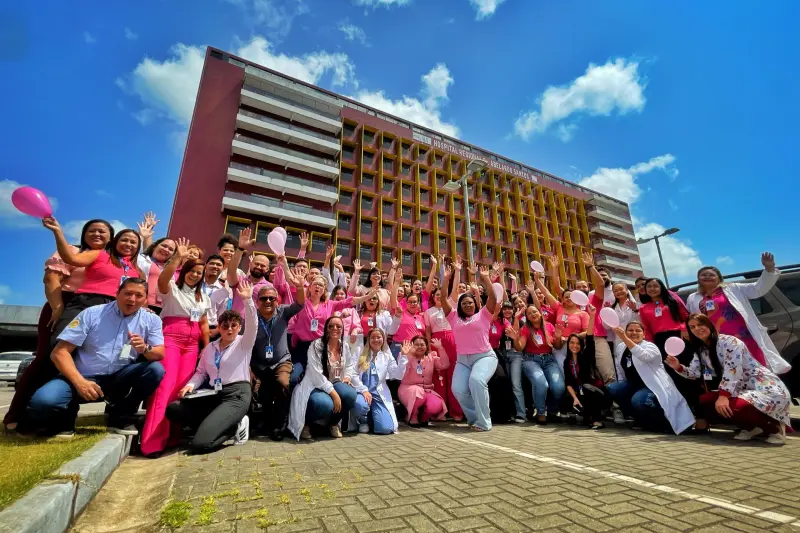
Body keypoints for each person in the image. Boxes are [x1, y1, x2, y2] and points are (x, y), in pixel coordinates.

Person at [5, 219, 113, 431]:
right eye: (92, 231)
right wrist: (58, 307)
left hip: (94, 310)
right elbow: (51, 278)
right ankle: (16, 415)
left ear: (110, 237)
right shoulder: (71, 251)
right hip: (64, 305)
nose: (97, 234)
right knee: (47, 358)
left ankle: (57, 417)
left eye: (102, 231)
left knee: (74, 362)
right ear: (84, 234)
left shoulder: (111, 260)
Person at [22, 278, 166, 437]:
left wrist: (145, 348)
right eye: (128, 293)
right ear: (117, 294)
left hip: (119, 379)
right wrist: (80, 383)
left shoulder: (152, 320)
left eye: (139, 295)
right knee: (43, 403)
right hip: (83, 376)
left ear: (146, 299)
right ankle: (64, 418)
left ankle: (121, 416)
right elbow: (59, 353)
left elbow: (159, 353)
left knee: (155, 370)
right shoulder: (92, 313)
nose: (132, 299)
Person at [667, 314, 790, 444]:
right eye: (692, 327)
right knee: (706, 401)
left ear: (709, 325)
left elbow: (732, 370)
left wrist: (724, 396)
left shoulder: (730, 342)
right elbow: (694, 372)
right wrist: (678, 367)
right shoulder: (702, 350)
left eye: (700, 324)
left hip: (763, 388)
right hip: (741, 390)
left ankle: (775, 429)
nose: (697, 329)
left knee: (734, 406)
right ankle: (751, 428)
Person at [166, 280, 256, 453]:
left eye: (234, 326)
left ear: (239, 327)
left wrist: (247, 301)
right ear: (219, 328)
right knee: (173, 409)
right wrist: (190, 385)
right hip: (213, 394)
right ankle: (218, 426)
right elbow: (201, 372)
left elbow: (253, 324)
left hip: (236, 395)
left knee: (201, 444)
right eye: (225, 326)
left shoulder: (244, 343)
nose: (229, 329)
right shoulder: (210, 348)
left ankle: (232, 428)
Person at [140, 240, 211, 456]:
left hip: (192, 344)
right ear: (184, 271)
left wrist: (206, 350)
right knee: (164, 388)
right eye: (191, 271)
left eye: (199, 272)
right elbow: (162, 279)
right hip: (171, 338)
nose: (195, 275)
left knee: (182, 390)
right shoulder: (171, 288)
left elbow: (204, 325)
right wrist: (178, 258)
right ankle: (152, 442)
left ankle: (173, 437)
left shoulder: (203, 297)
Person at [42, 217, 144, 344]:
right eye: (124, 240)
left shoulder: (136, 270)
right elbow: (69, 260)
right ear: (115, 242)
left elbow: (142, 294)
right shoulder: (98, 254)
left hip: (114, 308)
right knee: (62, 344)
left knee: (95, 349)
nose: (128, 244)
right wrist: (58, 232)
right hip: (83, 303)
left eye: (133, 242)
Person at [685, 253, 790, 374]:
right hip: (718, 339)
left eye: (711, 275)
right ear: (698, 279)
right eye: (703, 275)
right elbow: (692, 319)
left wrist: (769, 269)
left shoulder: (733, 288)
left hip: (743, 335)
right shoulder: (693, 298)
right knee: (731, 370)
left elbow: (758, 289)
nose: (707, 276)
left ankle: (766, 390)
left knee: (756, 368)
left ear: (719, 278)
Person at [442, 260, 499, 431]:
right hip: (463, 360)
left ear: (475, 304)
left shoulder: (483, 315)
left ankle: (484, 422)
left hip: (484, 356)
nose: (467, 304)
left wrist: (486, 278)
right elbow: (443, 297)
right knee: (458, 389)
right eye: (464, 302)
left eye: (470, 302)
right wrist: (446, 279)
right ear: (459, 306)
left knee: (477, 381)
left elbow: (493, 297)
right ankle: (474, 417)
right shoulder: (453, 318)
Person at [251, 257, 305, 440]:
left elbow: (299, 305)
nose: (268, 301)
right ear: (257, 301)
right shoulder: (251, 317)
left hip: (281, 361)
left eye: (271, 298)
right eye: (264, 298)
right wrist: (249, 368)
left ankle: (280, 424)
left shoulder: (283, 311)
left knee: (283, 384)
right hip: (258, 363)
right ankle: (264, 419)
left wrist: (299, 287)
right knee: (260, 392)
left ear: (277, 300)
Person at [607, 322, 694, 434]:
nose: (634, 333)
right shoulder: (621, 347)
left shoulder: (651, 346)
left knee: (639, 400)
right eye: (630, 330)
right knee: (613, 389)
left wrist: (624, 337)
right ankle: (639, 419)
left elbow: (644, 355)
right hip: (633, 384)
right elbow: (619, 367)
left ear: (644, 334)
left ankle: (661, 422)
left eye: (638, 330)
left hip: (652, 386)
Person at [289, 275, 375, 387]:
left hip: (321, 347)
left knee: (325, 380)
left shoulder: (329, 304)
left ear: (324, 290)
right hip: (302, 348)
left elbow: (349, 301)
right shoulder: (302, 302)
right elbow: (296, 290)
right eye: (315, 284)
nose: (318, 287)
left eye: (321, 285)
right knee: (294, 378)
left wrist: (366, 297)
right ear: (309, 287)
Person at [288, 316, 361, 440]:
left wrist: (347, 376)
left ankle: (332, 424)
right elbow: (316, 375)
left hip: (335, 381)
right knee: (324, 404)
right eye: (331, 326)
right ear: (326, 328)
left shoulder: (344, 346)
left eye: (339, 326)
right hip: (315, 385)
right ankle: (307, 424)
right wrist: (334, 394)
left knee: (350, 394)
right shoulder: (316, 345)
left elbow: (349, 365)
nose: (335, 328)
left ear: (343, 330)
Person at [509, 305, 562, 424]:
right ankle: (541, 412)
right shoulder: (526, 329)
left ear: (540, 312)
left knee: (558, 387)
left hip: (549, 360)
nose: (533, 314)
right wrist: (515, 338)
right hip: (531, 360)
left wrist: (558, 338)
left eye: (534, 312)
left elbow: (557, 346)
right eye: (529, 313)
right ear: (527, 317)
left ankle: (552, 412)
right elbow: (519, 348)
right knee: (541, 383)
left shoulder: (549, 326)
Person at [348, 328, 404, 434]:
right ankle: (362, 420)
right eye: (373, 337)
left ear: (383, 339)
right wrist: (364, 390)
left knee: (385, 429)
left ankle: (372, 418)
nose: (376, 340)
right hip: (361, 392)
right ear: (368, 339)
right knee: (360, 405)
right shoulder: (360, 352)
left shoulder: (387, 356)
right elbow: (353, 374)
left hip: (379, 394)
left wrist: (404, 357)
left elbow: (397, 375)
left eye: (379, 337)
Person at [563, 306, 610, 429]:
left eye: (578, 343)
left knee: (586, 387)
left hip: (596, 393)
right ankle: (586, 415)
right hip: (581, 393)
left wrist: (592, 316)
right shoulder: (567, 361)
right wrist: (575, 399)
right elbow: (568, 382)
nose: (575, 345)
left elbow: (589, 337)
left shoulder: (587, 355)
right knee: (567, 397)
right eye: (572, 342)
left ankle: (598, 420)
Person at [425, 280, 463, 421]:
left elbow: (454, 292)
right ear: (433, 297)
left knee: (453, 374)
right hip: (436, 341)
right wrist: (429, 346)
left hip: (452, 340)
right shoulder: (428, 312)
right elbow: (428, 331)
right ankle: (440, 410)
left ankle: (456, 411)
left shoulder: (451, 307)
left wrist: (456, 273)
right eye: (437, 295)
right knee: (438, 376)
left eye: (442, 295)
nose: (439, 297)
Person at [534, 273, 589, 367]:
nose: (569, 299)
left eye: (571, 296)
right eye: (566, 297)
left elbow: (587, 331)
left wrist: (570, 338)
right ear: (562, 300)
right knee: (562, 369)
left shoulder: (583, 314)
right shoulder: (559, 308)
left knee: (576, 369)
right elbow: (546, 293)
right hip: (559, 345)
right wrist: (537, 280)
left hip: (575, 345)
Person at [396, 337, 450, 426]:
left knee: (436, 405)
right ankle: (413, 417)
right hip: (408, 390)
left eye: (422, 345)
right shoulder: (405, 356)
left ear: (426, 346)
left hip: (426, 390)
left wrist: (440, 348)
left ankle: (423, 418)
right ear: (411, 346)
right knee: (417, 392)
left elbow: (445, 365)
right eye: (416, 345)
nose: (419, 347)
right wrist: (408, 355)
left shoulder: (431, 357)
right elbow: (402, 372)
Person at [584, 253, 618, 385]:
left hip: (597, 337)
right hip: (580, 341)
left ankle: (615, 404)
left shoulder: (594, 298)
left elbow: (600, 285)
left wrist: (591, 266)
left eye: (583, 286)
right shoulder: (573, 302)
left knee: (607, 373)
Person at [226, 229, 272, 315]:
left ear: (267, 269)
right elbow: (231, 270)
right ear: (250, 264)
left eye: (262, 266)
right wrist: (240, 248)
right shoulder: (240, 282)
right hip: (236, 325)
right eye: (256, 264)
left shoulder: (270, 287)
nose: (258, 267)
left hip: (256, 326)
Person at [388, 262, 426, 359]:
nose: (413, 304)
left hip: (417, 350)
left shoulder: (421, 317)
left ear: (418, 304)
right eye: (410, 302)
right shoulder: (401, 312)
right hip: (399, 348)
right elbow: (392, 298)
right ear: (406, 303)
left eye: (415, 302)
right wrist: (396, 282)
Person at [136, 234, 177, 314]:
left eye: (171, 249)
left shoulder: (169, 269)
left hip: (161, 309)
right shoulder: (141, 259)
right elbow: (132, 252)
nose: (166, 249)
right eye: (164, 246)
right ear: (155, 246)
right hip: (142, 305)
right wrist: (141, 236)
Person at [500, 304, 527, 423]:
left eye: (509, 308)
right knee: (507, 385)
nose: (507, 311)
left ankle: (521, 414)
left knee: (516, 384)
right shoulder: (499, 322)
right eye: (504, 309)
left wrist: (516, 318)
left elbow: (516, 335)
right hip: (503, 354)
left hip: (516, 354)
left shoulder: (520, 322)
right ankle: (510, 413)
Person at [201, 254, 230, 338]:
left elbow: (222, 315)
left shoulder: (224, 292)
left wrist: (217, 330)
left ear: (223, 268)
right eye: (212, 263)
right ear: (205, 265)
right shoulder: (195, 284)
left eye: (218, 265)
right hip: (191, 325)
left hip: (211, 330)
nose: (215, 266)